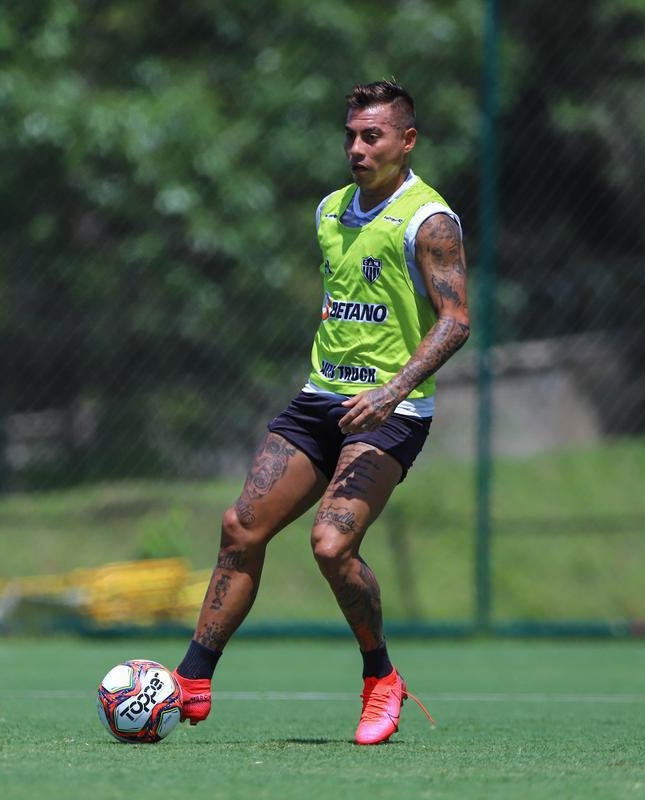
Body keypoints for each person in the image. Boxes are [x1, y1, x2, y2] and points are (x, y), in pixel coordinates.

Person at [173, 79, 470, 745]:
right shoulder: (331, 211)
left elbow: (455, 321)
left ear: (407, 141)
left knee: (331, 545)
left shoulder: (429, 221)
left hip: (392, 411)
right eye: (351, 136)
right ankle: (191, 679)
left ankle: (381, 677)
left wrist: (390, 391)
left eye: (373, 137)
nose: (357, 149)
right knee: (240, 527)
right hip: (319, 402)